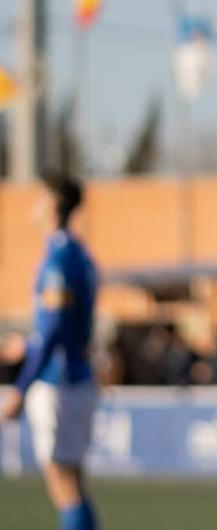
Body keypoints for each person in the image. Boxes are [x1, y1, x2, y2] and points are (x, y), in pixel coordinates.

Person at [2, 170, 100, 530]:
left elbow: (56, 327)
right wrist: (28, 344)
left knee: (63, 484)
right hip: (78, 376)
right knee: (73, 482)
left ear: (54, 205)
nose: (35, 205)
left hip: (59, 380)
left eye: (40, 197)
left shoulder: (59, 258)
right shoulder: (78, 255)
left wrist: (20, 387)